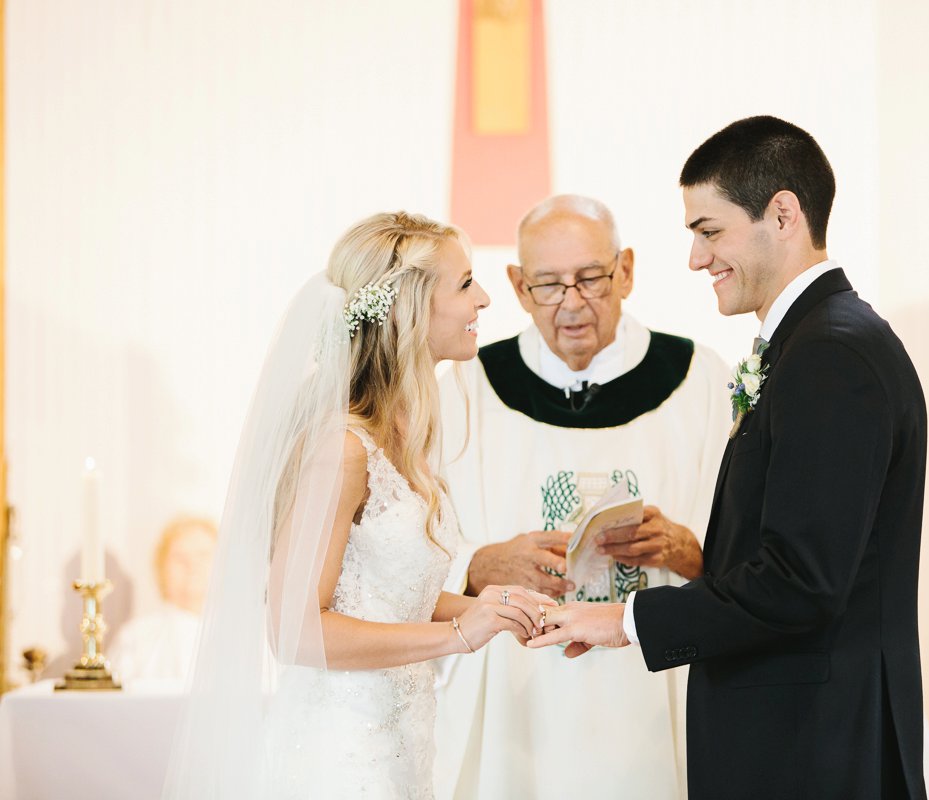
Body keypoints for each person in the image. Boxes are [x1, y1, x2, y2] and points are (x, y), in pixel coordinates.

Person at [532, 117, 929, 799]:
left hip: (810, 749)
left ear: (781, 213)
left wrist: (624, 621)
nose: (695, 258)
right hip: (801, 737)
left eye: (709, 231)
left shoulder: (831, 355)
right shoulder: (815, 342)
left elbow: (800, 582)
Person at [164, 212, 553, 799]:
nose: (485, 298)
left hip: (401, 751)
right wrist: (457, 635)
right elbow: (294, 632)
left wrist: (486, 605)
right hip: (339, 760)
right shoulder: (341, 449)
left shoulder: (400, 439)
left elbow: (381, 595)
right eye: (466, 282)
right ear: (410, 307)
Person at [434, 195, 731, 799]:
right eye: (547, 284)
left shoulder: (699, 380)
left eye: (591, 278)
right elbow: (409, 543)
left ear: (625, 270)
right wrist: (477, 562)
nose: (571, 302)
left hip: (653, 686)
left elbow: (752, 549)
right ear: (517, 285)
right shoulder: (467, 389)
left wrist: (687, 549)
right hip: (518, 694)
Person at [109, 515, 217, 682]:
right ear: (162, 567)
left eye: (202, 555)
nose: (192, 565)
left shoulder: (244, 637)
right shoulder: (135, 638)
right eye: (179, 557)